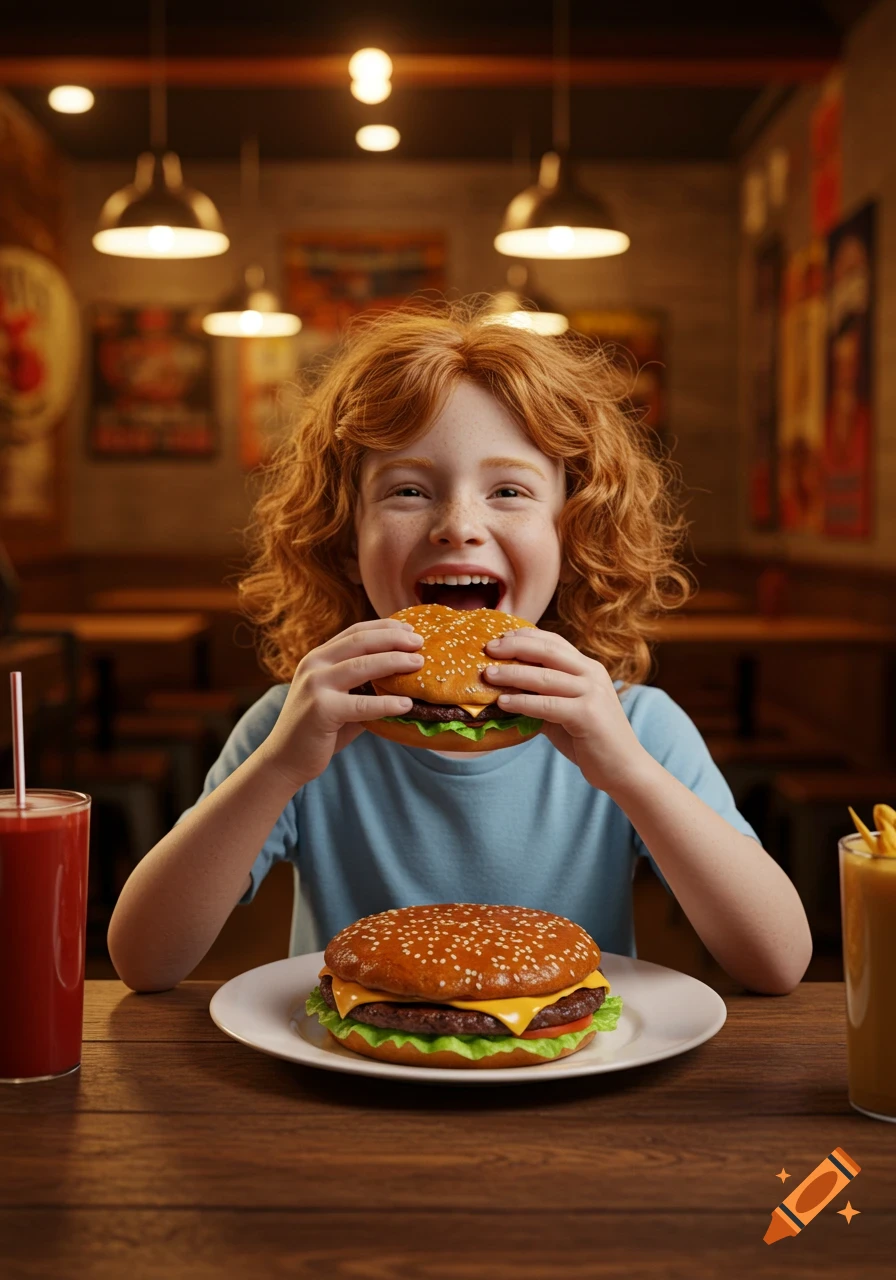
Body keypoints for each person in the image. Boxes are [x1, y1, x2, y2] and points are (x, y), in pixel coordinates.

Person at [107, 299, 812, 995]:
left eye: (508, 490)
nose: (458, 526)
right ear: (347, 545)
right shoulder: (294, 726)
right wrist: (277, 768)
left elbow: (777, 961)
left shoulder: (638, 726)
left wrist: (628, 771)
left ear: (572, 536)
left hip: (574, 1086)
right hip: (353, 1086)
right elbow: (144, 961)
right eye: (409, 490)